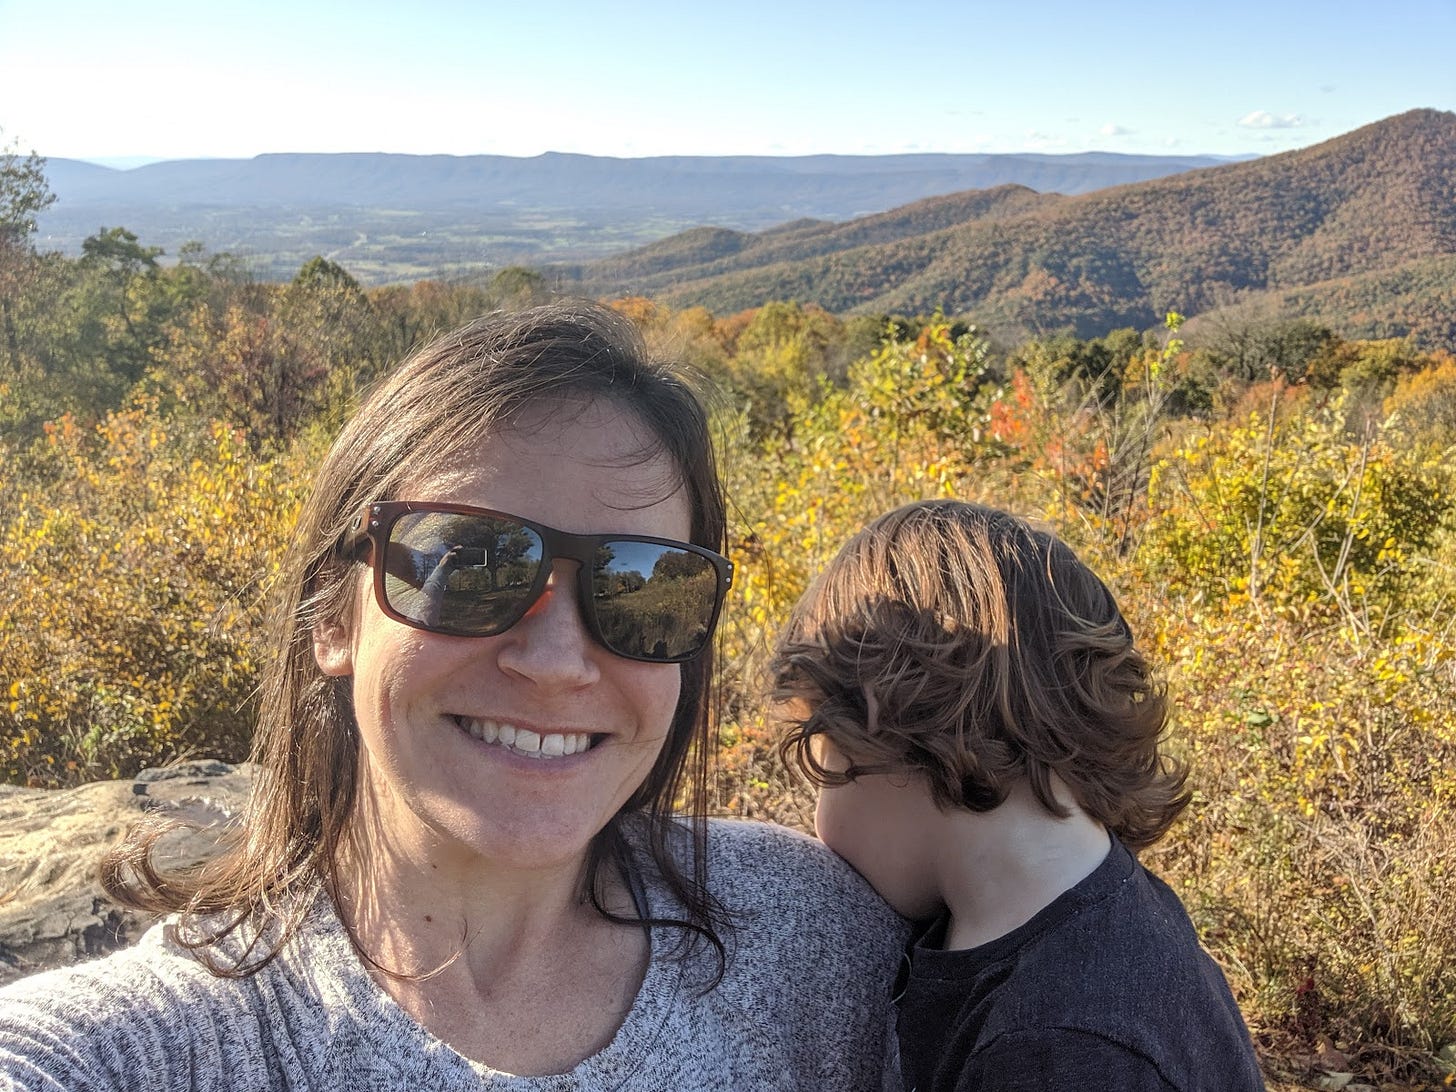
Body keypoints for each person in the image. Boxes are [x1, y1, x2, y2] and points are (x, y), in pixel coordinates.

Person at [0, 301, 907, 1089]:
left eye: (639, 586)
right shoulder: (153, 1047)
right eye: (466, 564)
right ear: (334, 619)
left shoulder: (813, 942)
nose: (556, 660)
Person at [771, 500, 1266, 1092]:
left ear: (886, 731)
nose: (817, 818)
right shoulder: (1105, 910)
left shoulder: (1063, 1053)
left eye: (824, 759)